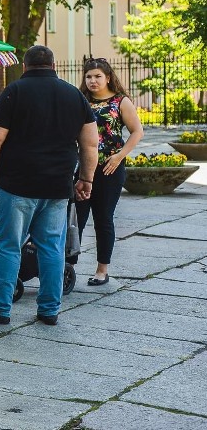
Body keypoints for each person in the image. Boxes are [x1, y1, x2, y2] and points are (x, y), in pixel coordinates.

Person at [0, 45, 98, 326]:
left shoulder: (14, 91)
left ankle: (0, 308)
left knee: (8, 246)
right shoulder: (74, 95)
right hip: (57, 185)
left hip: (16, 184)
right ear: (54, 66)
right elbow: (89, 143)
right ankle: (49, 310)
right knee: (51, 248)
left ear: (25, 67)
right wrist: (86, 178)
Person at [77, 57, 144, 286]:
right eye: (88, 76)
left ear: (107, 77)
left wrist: (119, 156)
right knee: (76, 218)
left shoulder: (120, 101)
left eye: (97, 76)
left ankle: (102, 270)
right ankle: (67, 266)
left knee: (102, 218)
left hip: (109, 168)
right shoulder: (80, 100)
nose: (93, 81)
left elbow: (137, 132)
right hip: (82, 167)